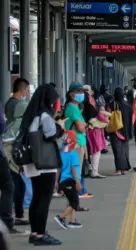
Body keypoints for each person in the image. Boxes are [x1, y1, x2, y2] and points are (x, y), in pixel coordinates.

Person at [20, 84, 66, 245]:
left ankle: (35, 232)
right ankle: (40, 234)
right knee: (44, 199)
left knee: (37, 198)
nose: (55, 104)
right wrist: (60, 126)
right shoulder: (44, 116)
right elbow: (50, 135)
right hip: (44, 162)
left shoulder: (32, 114)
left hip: (33, 162)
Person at [0, 102, 27, 235]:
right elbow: (2, 127)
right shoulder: (20, 124)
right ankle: (7, 222)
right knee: (9, 186)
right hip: (4, 156)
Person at [64, 82, 93, 200]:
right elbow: (81, 128)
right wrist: (85, 126)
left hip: (77, 142)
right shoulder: (72, 108)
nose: (81, 94)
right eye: (78, 92)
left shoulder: (74, 107)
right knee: (75, 170)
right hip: (75, 143)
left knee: (77, 169)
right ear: (71, 94)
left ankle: (79, 193)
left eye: (82, 92)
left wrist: (83, 126)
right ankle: (75, 196)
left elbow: (81, 126)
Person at [54, 130, 83, 229]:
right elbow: (73, 169)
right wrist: (78, 181)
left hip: (63, 181)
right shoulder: (73, 154)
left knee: (71, 200)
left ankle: (72, 221)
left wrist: (56, 182)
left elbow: (58, 169)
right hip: (71, 181)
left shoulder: (61, 154)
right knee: (75, 202)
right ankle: (61, 217)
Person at [109, 87, 133, 176]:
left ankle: (119, 169)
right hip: (126, 131)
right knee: (125, 150)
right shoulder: (128, 105)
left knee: (117, 150)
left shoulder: (112, 105)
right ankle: (124, 169)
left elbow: (108, 117)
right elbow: (132, 119)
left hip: (116, 130)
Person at [83, 92, 107, 178]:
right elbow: (101, 119)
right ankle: (94, 171)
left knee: (87, 152)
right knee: (96, 151)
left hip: (84, 132)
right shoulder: (90, 107)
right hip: (93, 132)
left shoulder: (78, 107)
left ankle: (87, 170)